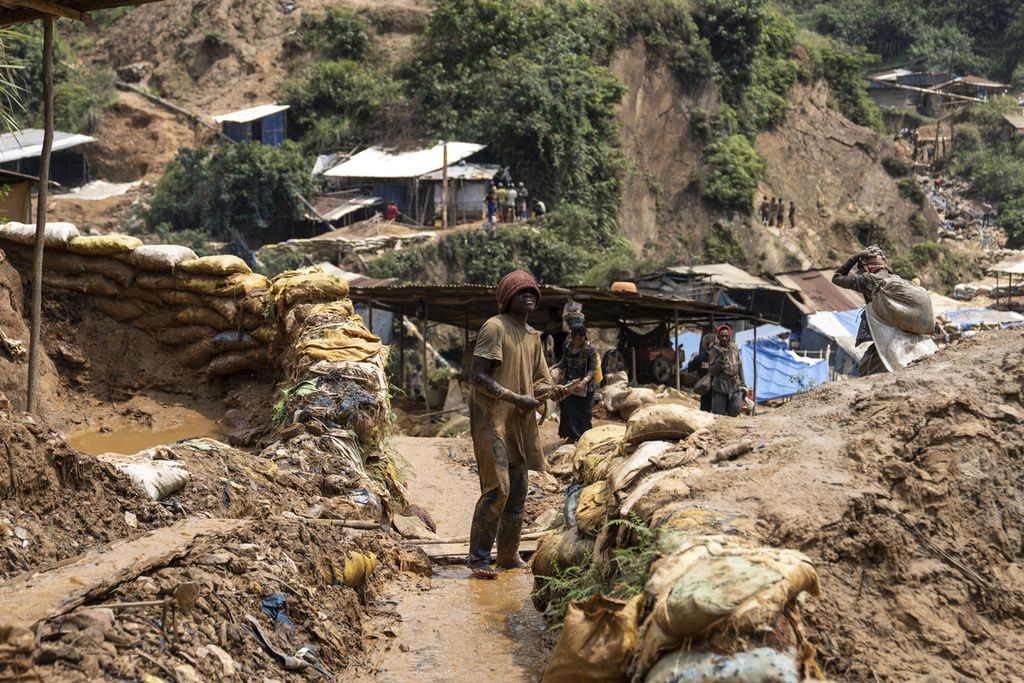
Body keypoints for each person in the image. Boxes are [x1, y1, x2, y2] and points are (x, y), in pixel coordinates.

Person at [468, 271, 569, 578]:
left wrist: (549, 391)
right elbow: (477, 375)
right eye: (521, 291)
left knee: (519, 491)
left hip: (518, 425)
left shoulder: (533, 336)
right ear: (506, 298)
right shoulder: (494, 328)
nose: (528, 295)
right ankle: (478, 559)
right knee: (498, 489)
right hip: (491, 420)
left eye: (532, 292)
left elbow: (540, 380)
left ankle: (509, 555)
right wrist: (515, 398)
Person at [831, 246, 895, 376]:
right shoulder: (894, 277)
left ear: (865, 266)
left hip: (883, 333)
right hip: (898, 330)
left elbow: (837, 277)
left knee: (866, 369)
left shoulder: (867, 279)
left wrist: (854, 257)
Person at [552, 326, 598, 442]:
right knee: (567, 408)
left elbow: (593, 370)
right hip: (570, 385)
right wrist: (554, 367)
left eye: (580, 339)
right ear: (572, 338)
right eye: (575, 339)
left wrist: (584, 382)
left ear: (584, 337)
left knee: (584, 414)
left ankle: (584, 438)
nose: (577, 342)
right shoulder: (567, 346)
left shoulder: (590, 349)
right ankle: (571, 436)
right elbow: (564, 362)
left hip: (585, 387)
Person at [707, 325, 745, 417]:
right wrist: (719, 365)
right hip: (720, 385)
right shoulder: (714, 351)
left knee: (735, 411)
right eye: (721, 336)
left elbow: (739, 365)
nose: (724, 338)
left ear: (729, 336)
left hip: (735, 384)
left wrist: (743, 383)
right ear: (718, 337)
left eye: (726, 336)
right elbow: (711, 371)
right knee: (719, 413)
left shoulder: (735, 348)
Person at [686, 332, 715, 412]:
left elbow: (690, 369)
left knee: (705, 411)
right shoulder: (719, 356)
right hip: (718, 389)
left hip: (704, 388)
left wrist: (692, 357)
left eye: (702, 342)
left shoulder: (699, 357)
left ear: (705, 343)